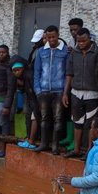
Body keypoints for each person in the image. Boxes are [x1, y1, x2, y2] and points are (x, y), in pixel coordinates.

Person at [62, 28, 98, 158]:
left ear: (90, 39)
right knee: (77, 122)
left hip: (93, 94)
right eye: (78, 41)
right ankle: (76, 149)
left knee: (91, 124)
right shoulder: (74, 53)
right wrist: (65, 93)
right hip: (75, 93)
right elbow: (69, 74)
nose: (81, 43)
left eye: (83, 40)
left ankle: (89, 151)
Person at [34, 25, 69, 154]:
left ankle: (55, 145)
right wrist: (38, 90)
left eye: (53, 36)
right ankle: (44, 143)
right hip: (43, 91)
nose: (51, 39)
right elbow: (37, 71)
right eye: (49, 37)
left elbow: (68, 73)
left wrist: (65, 91)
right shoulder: (41, 52)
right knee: (44, 118)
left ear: (58, 34)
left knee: (58, 118)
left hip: (59, 91)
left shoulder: (65, 51)